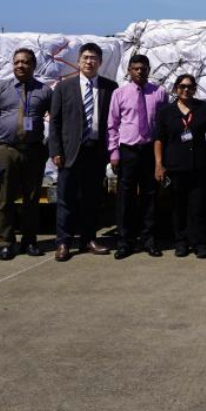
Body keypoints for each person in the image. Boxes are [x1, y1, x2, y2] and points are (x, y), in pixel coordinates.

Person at [0, 48, 52, 260]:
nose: (20, 66)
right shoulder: (2, 89)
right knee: (5, 199)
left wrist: (48, 148)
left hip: (34, 152)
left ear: (34, 66)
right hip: (7, 151)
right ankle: (5, 242)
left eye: (25, 62)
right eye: (17, 62)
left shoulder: (45, 91)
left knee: (32, 200)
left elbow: (56, 121)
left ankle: (29, 241)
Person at [49, 42, 118, 261]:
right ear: (78, 61)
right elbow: (55, 122)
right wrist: (56, 150)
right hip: (70, 152)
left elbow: (114, 121)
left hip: (96, 152)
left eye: (94, 58)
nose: (89, 61)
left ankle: (88, 239)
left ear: (100, 62)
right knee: (66, 199)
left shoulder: (110, 87)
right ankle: (63, 242)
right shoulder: (63, 87)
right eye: (86, 57)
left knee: (92, 199)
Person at [107, 54, 169, 259]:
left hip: (150, 150)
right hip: (128, 150)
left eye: (143, 68)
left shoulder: (159, 93)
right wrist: (114, 152)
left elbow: (163, 125)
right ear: (129, 71)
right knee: (126, 197)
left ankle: (149, 239)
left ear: (149, 70)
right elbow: (113, 124)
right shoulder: (119, 93)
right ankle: (125, 241)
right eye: (135, 69)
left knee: (150, 195)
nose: (140, 72)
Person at [153, 74, 206, 259]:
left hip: (198, 164)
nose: (186, 90)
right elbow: (159, 140)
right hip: (175, 166)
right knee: (178, 206)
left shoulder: (203, 108)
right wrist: (158, 164)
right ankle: (180, 242)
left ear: (195, 89)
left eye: (190, 87)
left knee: (198, 206)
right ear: (175, 89)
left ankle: (199, 243)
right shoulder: (166, 112)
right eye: (182, 86)